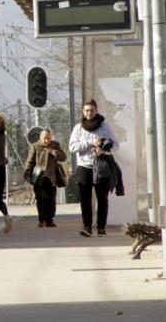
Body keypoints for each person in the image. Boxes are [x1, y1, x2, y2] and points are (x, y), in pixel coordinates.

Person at [69, 99, 120, 237]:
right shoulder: (78, 128)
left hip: (101, 166)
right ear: (83, 112)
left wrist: (103, 151)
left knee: (102, 199)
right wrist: (90, 142)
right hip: (84, 166)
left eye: (92, 110)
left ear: (96, 111)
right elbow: (72, 147)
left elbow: (116, 145)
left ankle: (101, 227)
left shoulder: (105, 127)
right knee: (85, 199)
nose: (89, 113)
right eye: (86, 110)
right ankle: (87, 227)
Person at [23, 128, 67, 228]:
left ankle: (50, 220)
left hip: (52, 178)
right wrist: (28, 175)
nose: (47, 141)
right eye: (45, 138)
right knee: (41, 199)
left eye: (49, 138)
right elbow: (29, 162)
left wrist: (53, 152)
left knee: (51, 200)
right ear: (40, 138)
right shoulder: (35, 146)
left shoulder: (55, 145)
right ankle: (42, 220)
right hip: (39, 178)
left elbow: (64, 157)